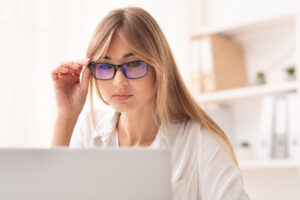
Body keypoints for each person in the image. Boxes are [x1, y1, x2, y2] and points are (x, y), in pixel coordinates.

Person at [51, 6, 250, 200]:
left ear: (159, 67)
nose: (119, 81)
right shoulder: (89, 129)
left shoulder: (199, 141)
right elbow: (53, 194)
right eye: (105, 66)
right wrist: (66, 117)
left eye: (134, 64)